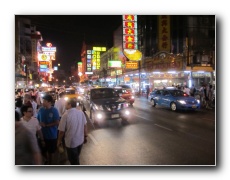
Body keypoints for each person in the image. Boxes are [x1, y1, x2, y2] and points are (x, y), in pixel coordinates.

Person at [57, 98, 87, 165]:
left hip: (71, 143)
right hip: (80, 140)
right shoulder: (81, 113)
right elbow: (85, 126)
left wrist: (58, 141)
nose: (65, 105)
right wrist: (85, 136)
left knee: (74, 161)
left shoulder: (65, 115)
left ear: (69, 105)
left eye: (66, 104)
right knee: (76, 158)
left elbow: (61, 131)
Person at [37, 94, 59, 165]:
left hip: (52, 135)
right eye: (42, 100)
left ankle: (50, 164)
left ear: (49, 102)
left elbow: (57, 122)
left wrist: (46, 125)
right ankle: (46, 160)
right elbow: (37, 120)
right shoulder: (41, 110)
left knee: (51, 152)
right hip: (42, 135)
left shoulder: (54, 110)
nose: (42, 102)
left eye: (44, 101)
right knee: (42, 151)